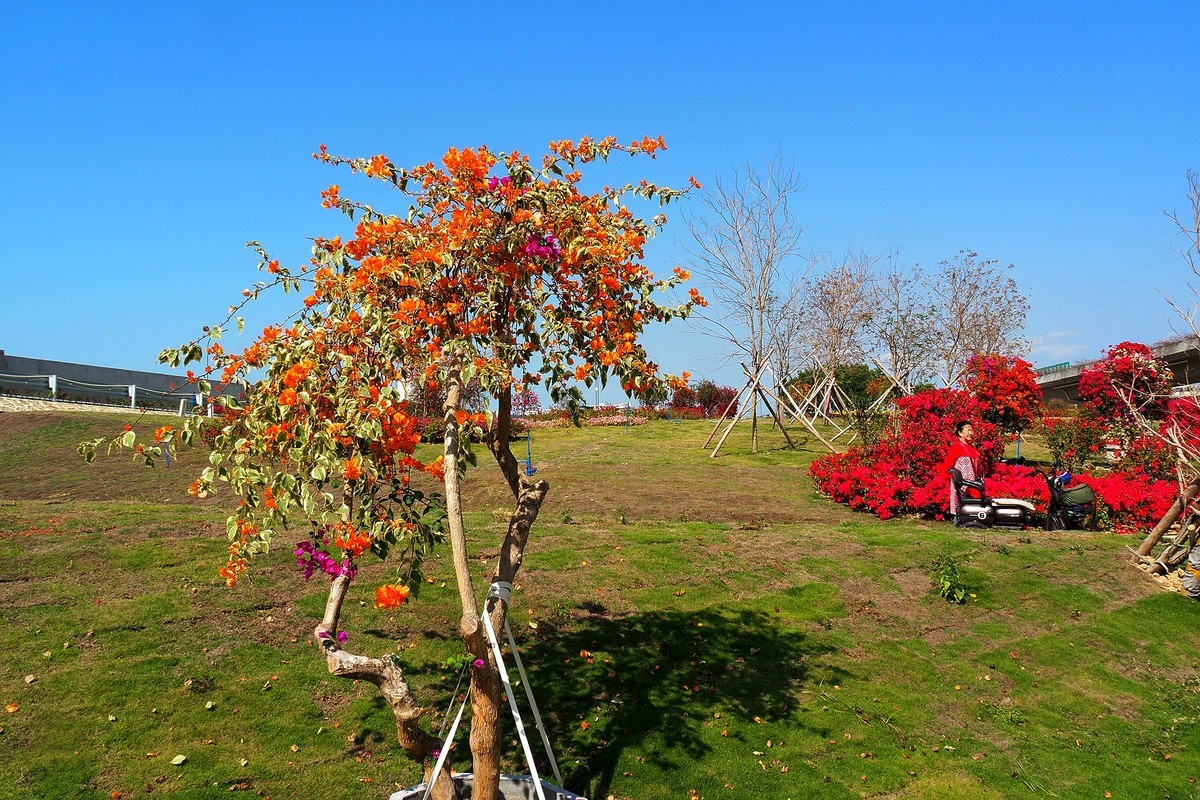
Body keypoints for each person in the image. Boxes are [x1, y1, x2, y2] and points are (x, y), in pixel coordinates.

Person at [941, 420, 980, 517]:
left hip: (973, 483)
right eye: (968, 430)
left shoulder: (972, 448)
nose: (971, 433)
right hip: (963, 485)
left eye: (972, 430)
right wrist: (956, 479)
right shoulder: (956, 447)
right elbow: (947, 467)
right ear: (960, 432)